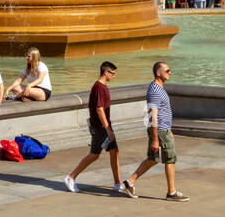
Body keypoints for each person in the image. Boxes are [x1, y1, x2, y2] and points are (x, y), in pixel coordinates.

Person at [65, 61, 132, 194]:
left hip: (103, 126)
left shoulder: (101, 87)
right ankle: (71, 177)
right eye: (113, 73)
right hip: (101, 128)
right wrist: (108, 130)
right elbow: (99, 109)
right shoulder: (99, 87)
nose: (114, 76)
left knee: (114, 151)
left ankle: (117, 183)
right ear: (106, 72)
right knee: (94, 154)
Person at [124, 61, 187, 202]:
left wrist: (168, 129)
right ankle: (171, 192)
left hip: (163, 130)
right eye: (167, 70)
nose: (170, 72)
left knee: (153, 159)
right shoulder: (155, 91)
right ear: (158, 73)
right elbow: (153, 115)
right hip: (160, 131)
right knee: (170, 159)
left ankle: (129, 182)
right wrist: (155, 139)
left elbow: (161, 112)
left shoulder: (159, 88)